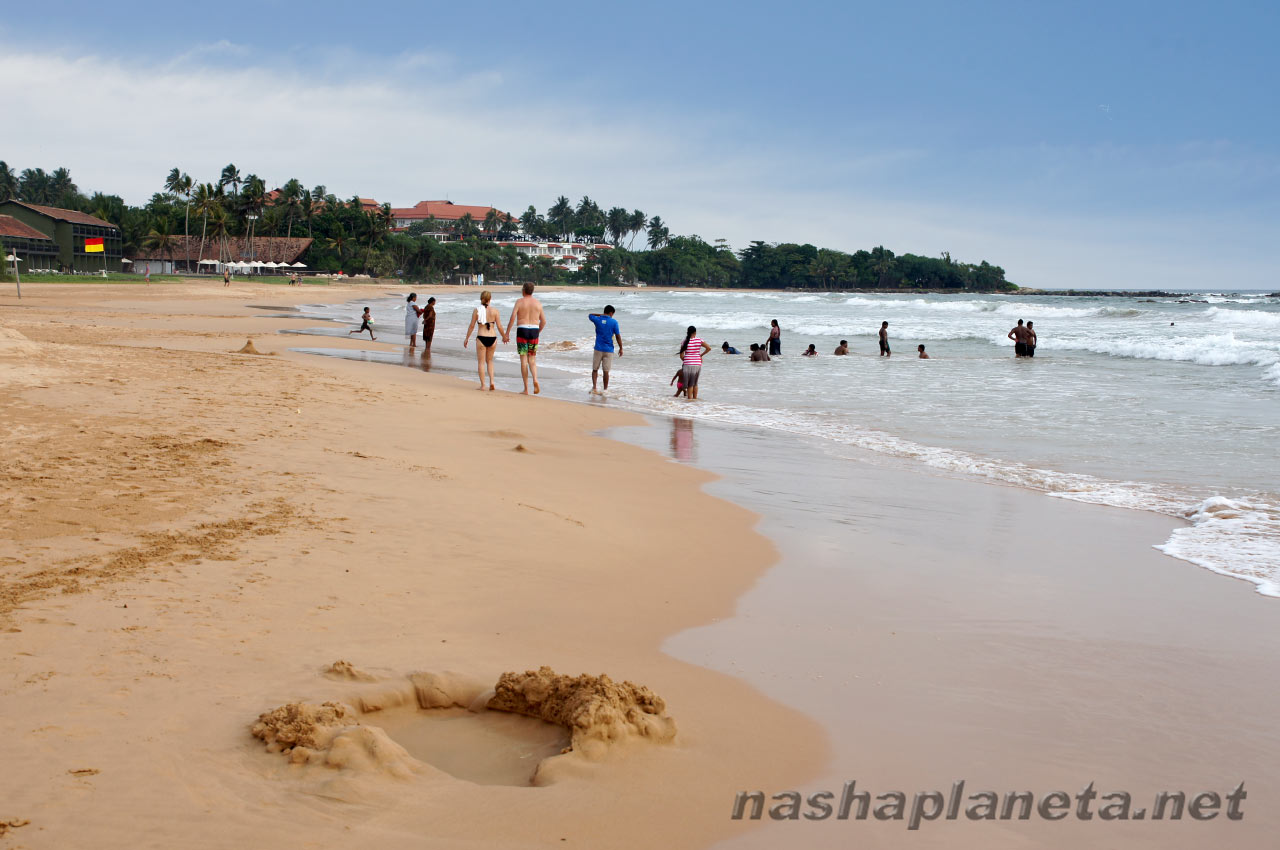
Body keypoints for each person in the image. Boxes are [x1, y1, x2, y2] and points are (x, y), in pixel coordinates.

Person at [506, 282, 545, 394]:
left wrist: (507, 333)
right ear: (532, 291)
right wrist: (538, 332)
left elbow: (513, 318)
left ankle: (526, 389)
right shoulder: (538, 303)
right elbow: (544, 321)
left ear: (523, 290)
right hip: (534, 331)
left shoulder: (519, 302)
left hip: (522, 330)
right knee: (532, 359)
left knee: (524, 360)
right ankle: (536, 380)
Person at [464, 290, 505, 391]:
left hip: (481, 337)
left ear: (481, 298)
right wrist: (504, 336)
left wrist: (467, 338)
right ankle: (492, 382)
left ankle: (483, 385)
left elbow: (472, 326)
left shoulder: (477, 310)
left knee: (481, 362)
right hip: (493, 337)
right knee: (490, 361)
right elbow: (499, 326)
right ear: (490, 299)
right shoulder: (495, 311)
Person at [588, 305, 623, 394]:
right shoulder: (614, 322)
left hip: (598, 348)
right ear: (611, 313)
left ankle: (594, 387)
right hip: (608, 349)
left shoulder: (597, 319)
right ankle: (605, 390)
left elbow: (590, 315)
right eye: (612, 314)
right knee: (606, 371)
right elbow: (618, 336)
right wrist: (621, 348)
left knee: (595, 369)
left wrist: (602, 315)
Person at [679, 326, 712, 400]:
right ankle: (695, 399)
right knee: (695, 383)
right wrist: (700, 355)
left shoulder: (684, 341)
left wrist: (687, 360)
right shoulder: (699, 340)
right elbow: (709, 348)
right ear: (695, 332)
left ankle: (690, 400)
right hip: (697, 363)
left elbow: (681, 356)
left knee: (690, 384)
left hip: (687, 364)